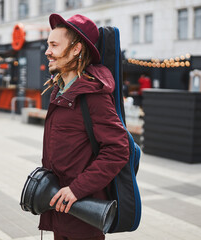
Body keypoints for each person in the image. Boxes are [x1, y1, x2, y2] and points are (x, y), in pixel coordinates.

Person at [40, 13, 130, 240]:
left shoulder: (93, 95)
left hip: (82, 213)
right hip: (60, 209)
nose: (47, 51)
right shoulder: (60, 89)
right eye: (47, 44)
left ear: (76, 49)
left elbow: (118, 149)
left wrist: (77, 189)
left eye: (54, 45)